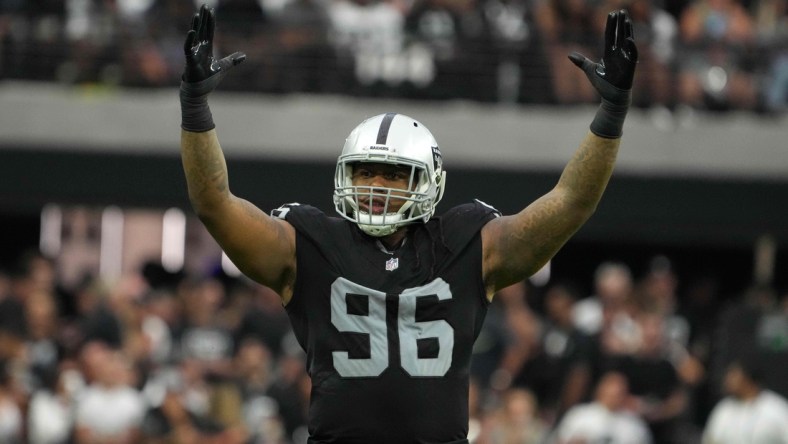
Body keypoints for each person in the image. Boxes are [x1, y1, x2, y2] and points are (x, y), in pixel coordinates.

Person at [177, 4, 638, 443]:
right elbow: (214, 202)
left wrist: (611, 112)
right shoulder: (309, 242)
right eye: (364, 172)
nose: (377, 185)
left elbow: (571, 201)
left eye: (395, 174)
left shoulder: (467, 241)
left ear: (429, 182)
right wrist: (195, 105)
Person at [702, 357, 788, 444]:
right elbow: (710, 440)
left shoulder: (776, 408)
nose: (728, 379)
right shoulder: (723, 409)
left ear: (748, 377)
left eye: (734, 374)